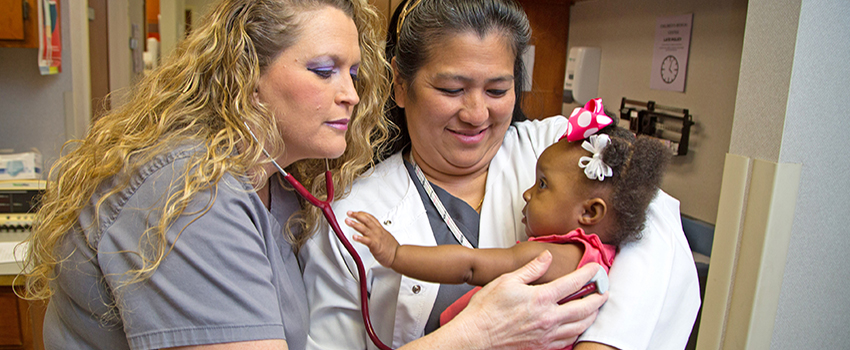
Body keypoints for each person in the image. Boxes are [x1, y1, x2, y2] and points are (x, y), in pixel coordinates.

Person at [21, 0, 606, 349]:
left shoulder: (277, 188)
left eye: (353, 71)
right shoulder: (188, 197)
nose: (351, 94)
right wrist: (474, 334)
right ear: (244, 72)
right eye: (324, 70)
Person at [299, 0, 702, 349]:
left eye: (496, 91)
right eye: (452, 89)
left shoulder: (563, 150)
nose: (476, 114)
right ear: (401, 86)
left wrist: (604, 344)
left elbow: (653, 226)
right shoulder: (350, 218)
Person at [346, 99, 672, 349]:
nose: (528, 193)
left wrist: (396, 254)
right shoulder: (600, 258)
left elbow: (470, 266)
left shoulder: (554, 257)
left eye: (543, 185)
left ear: (589, 213)